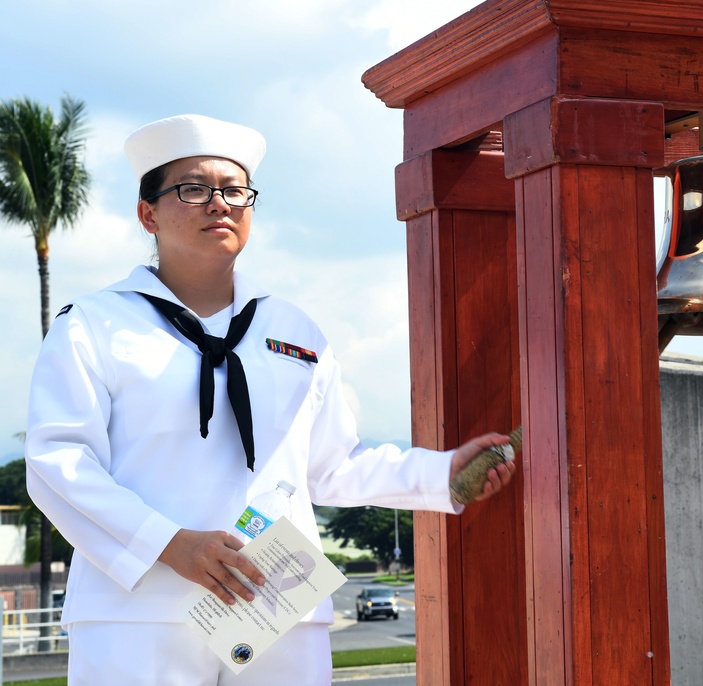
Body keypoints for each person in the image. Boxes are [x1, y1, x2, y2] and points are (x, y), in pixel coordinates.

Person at [23, 114, 515, 685]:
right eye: (193, 189)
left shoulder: (294, 330)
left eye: (235, 191)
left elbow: (333, 467)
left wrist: (441, 472)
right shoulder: (93, 326)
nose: (219, 204)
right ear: (147, 213)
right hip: (138, 613)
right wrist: (171, 545)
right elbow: (59, 464)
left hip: (277, 606)